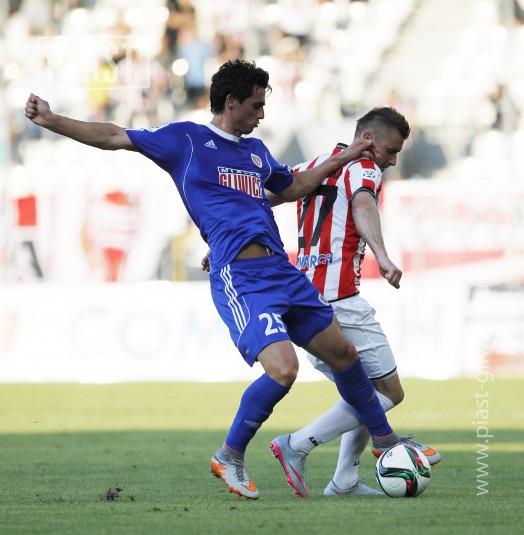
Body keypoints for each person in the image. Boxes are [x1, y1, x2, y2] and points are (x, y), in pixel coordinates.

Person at [27, 60, 410, 501]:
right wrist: (52, 120)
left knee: (344, 353)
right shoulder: (186, 140)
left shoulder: (257, 152)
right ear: (231, 102)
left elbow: (293, 187)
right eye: (255, 105)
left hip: (281, 270)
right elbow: (115, 136)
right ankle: (230, 455)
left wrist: (347, 154)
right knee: (283, 370)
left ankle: (386, 442)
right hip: (240, 276)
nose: (261, 114)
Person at [267, 107, 441, 498]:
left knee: (361, 391)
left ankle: (344, 480)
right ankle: (296, 445)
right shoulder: (363, 168)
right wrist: (382, 255)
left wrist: (225, 242)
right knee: (389, 392)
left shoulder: (310, 166)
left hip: (303, 300)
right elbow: (363, 206)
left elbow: (263, 199)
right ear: (368, 140)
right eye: (390, 151)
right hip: (339, 300)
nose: (391, 161)